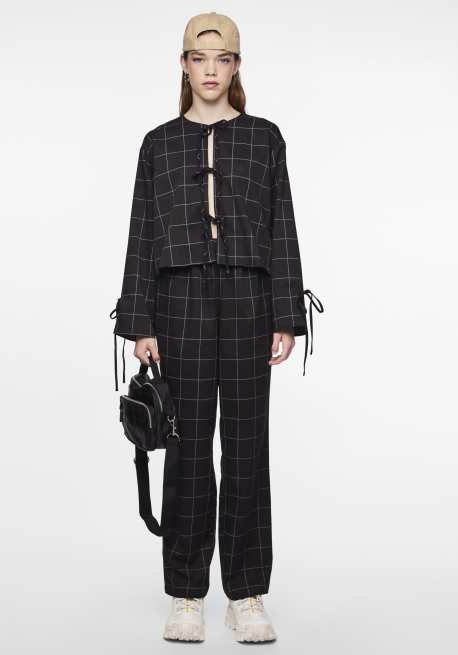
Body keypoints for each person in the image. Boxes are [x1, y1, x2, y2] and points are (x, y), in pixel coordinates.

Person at [110, 11, 324, 643]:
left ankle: (247, 593)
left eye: (222, 59)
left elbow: (282, 226)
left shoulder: (264, 138)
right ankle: (186, 593)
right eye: (199, 59)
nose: (210, 70)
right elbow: (141, 232)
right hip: (177, 302)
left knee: (248, 447)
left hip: (249, 299)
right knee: (187, 449)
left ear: (236, 65)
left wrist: (286, 314)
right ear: (183, 65)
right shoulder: (158, 143)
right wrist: (140, 320)